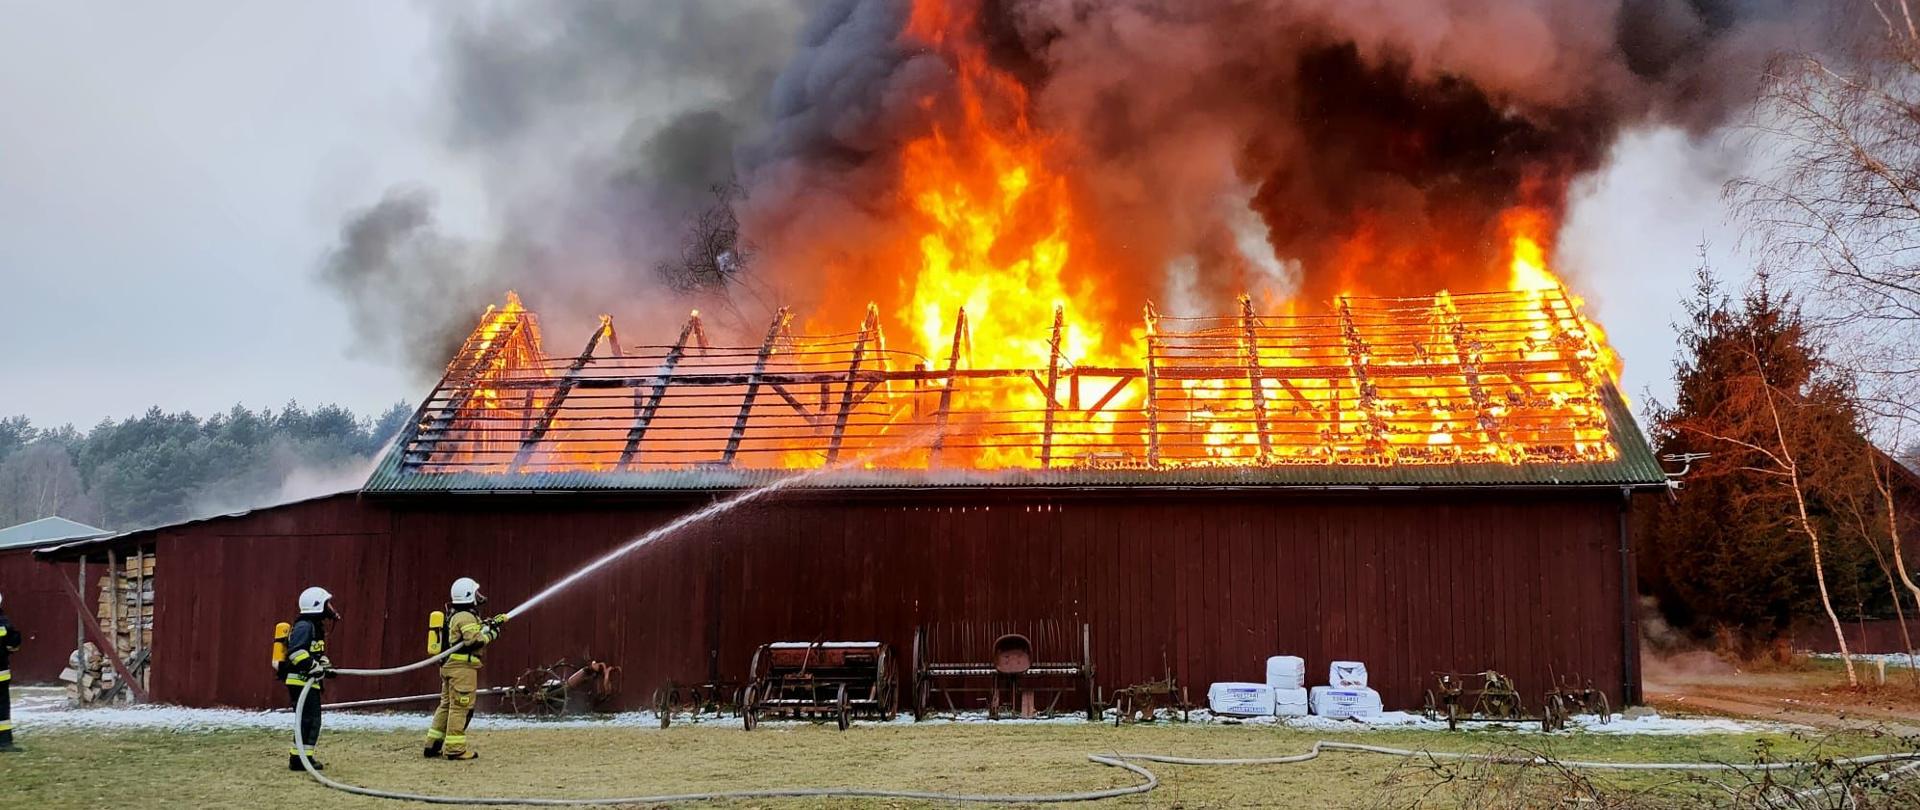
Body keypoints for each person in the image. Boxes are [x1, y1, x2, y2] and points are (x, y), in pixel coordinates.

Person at [424, 577, 506, 760]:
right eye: (476, 592)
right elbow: (473, 640)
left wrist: (491, 623)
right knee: (461, 707)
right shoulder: (466, 616)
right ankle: (455, 749)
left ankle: (433, 744)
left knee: (446, 705)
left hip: (449, 667)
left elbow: (470, 632)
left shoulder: (457, 614)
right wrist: (492, 634)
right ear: (469, 595)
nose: (479, 595)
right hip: (461, 669)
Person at [281, 586, 337, 771]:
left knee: (311, 721)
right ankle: (298, 759)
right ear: (318, 605)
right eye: (327, 603)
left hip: (308, 681)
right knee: (308, 720)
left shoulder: (314, 626)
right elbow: (296, 652)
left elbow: (314, 652)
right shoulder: (305, 626)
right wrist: (313, 667)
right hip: (300, 681)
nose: (330, 608)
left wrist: (324, 664)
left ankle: (302, 757)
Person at [0, 591, 21, 752]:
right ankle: (5, 742)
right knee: (2, 709)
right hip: (1, 675)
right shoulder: (3, 622)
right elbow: (13, 644)